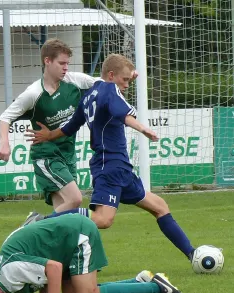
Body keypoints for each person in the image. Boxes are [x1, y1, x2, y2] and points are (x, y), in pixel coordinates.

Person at [25, 54, 195, 262]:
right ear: (111, 75)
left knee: (160, 207)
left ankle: (193, 254)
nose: (126, 85)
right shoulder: (109, 89)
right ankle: (42, 222)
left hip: (118, 166)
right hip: (110, 166)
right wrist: (143, 129)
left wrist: (50, 135)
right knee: (103, 220)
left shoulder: (88, 97)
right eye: (125, 80)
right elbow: (122, 113)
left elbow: (69, 128)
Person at [0, 214, 184, 293]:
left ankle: (157, 288)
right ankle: (138, 282)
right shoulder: (6, 275)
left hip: (76, 235)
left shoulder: (9, 276)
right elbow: (42, 264)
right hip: (63, 244)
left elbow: (53, 268)